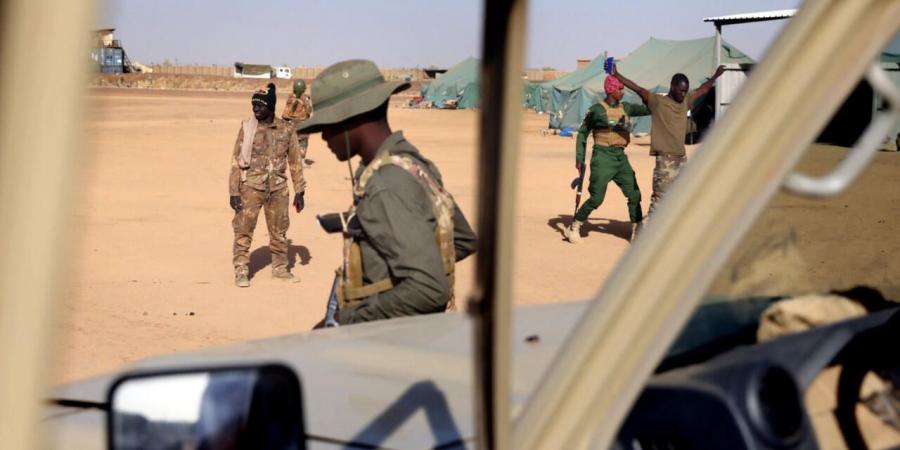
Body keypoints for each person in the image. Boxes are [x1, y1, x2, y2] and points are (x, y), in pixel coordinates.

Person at [295, 59, 477, 325]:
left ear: (350, 119)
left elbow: (428, 289)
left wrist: (345, 319)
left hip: (389, 341)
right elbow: (459, 239)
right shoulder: (411, 164)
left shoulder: (385, 185)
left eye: (327, 127)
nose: (323, 139)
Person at [612, 63, 725, 217]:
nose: (683, 94)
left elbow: (703, 89)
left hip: (681, 159)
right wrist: (616, 74)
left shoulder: (686, 101)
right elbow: (637, 88)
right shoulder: (657, 102)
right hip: (665, 161)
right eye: (681, 90)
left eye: (686, 91)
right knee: (659, 201)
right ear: (672, 87)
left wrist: (716, 76)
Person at [228, 83, 306, 287]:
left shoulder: (287, 129)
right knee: (243, 230)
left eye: (260, 106)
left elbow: (295, 161)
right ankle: (241, 270)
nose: (255, 110)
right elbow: (236, 161)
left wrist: (300, 191)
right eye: (253, 105)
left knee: (279, 231)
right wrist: (234, 191)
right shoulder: (247, 128)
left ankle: (280, 269)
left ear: (271, 107)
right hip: (251, 188)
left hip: (278, 189)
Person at [564, 74, 650, 244]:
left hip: (621, 158)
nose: (623, 92)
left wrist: (644, 94)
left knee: (634, 193)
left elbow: (649, 109)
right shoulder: (596, 110)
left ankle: (637, 228)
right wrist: (579, 160)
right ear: (611, 90)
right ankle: (575, 225)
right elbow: (582, 133)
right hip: (602, 157)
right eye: (620, 89)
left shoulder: (626, 107)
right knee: (596, 198)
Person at [281, 79, 314, 167]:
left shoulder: (290, 97)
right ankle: (301, 161)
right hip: (302, 125)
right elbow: (309, 110)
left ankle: (287, 159)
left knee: (289, 141)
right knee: (303, 142)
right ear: (304, 88)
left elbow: (285, 114)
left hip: (291, 124)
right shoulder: (305, 98)